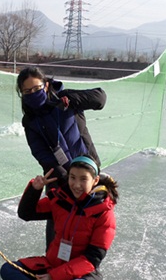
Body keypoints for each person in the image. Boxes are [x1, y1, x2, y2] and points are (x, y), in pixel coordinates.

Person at [0, 155, 118, 280]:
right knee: (7, 269)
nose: (76, 185)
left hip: (82, 275)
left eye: (83, 179)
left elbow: (92, 260)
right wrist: (35, 189)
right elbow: (26, 213)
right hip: (51, 265)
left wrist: (54, 279)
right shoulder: (60, 200)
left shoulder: (103, 214)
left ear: (95, 180)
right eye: (72, 177)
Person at [17, 67, 106, 248]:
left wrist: (73, 99)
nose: (33, 93)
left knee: (89, 220)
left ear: (46, 85)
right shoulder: (30, 120)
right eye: (27, 91)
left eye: (37, 88)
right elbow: (40, 152)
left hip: (87, 172)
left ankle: (85, 263)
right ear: (22, 94)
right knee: (58, 224)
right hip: (58, 179)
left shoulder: (66, 99)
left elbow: (100, 98)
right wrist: (65, 179)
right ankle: (53, 261)